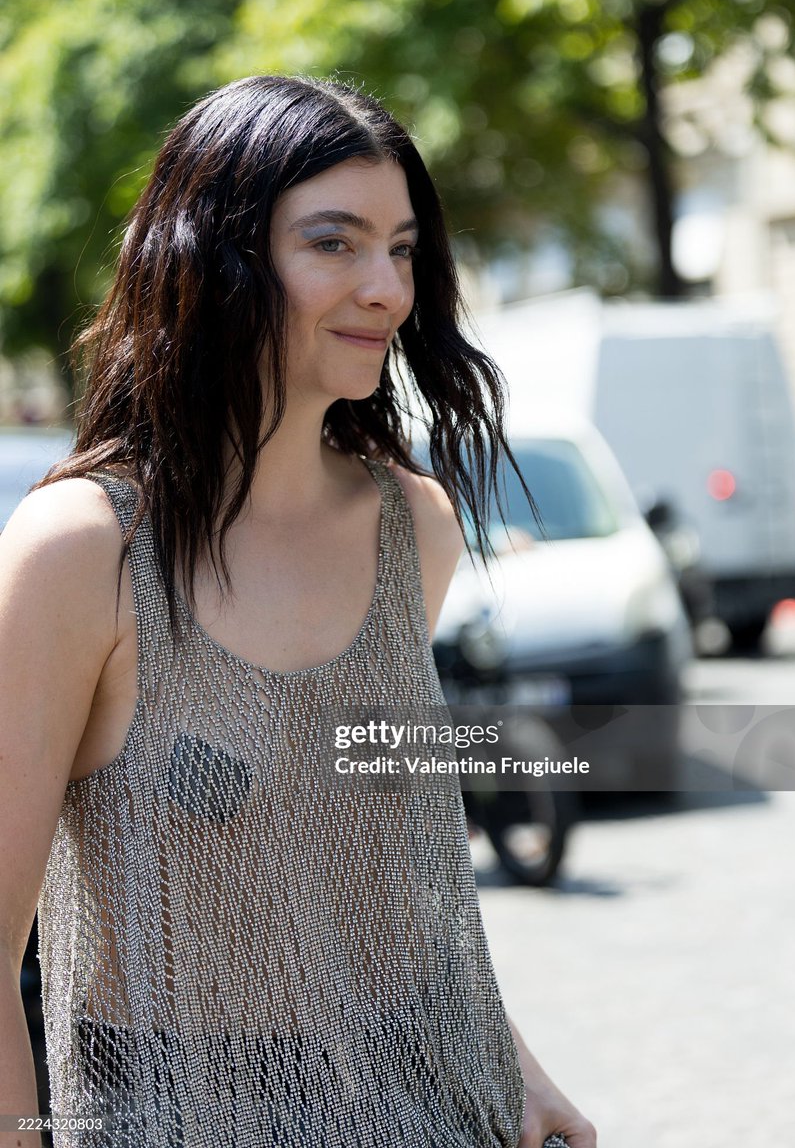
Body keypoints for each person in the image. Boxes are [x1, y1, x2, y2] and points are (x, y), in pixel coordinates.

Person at [0, 75, 597, 1148]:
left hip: (425, 1097)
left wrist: (513, 1065)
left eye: (403, 249)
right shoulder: (84, 549)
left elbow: (373, 877)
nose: (387, 288)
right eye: (335, 243)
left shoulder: (409, 524)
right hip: (171, 1115)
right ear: (210, 263)